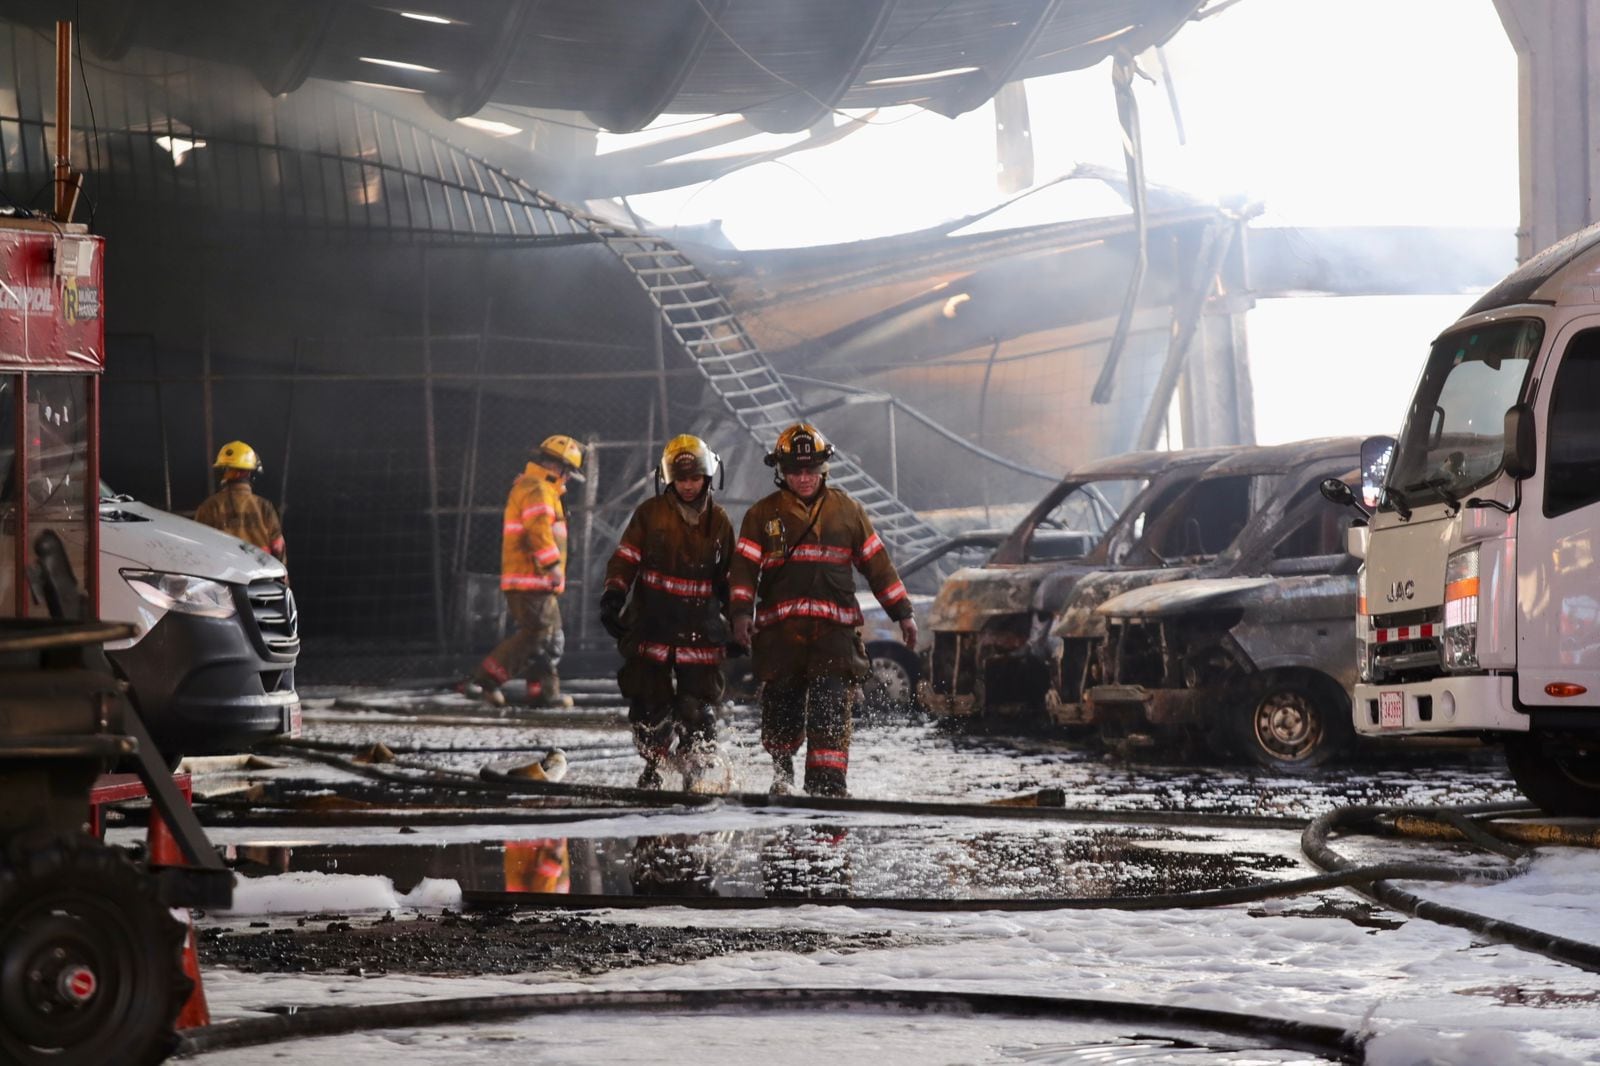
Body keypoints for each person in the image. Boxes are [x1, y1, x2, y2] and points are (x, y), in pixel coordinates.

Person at [728, 423, 916, 797]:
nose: (802, 478)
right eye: (795, 471)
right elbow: (744, 571)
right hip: (781, 638)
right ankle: (782, 777)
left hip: (834, 638)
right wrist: (739, 615)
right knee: (781, 709)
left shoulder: (848, 512)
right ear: (781, 471)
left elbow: (878, 566)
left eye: (810, 470)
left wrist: (903, 613)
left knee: (831, 710)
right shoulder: (762, 515)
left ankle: (828, 789)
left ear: (823, 469)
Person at [600, 434, 734, 790]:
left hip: (698, 631)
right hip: (651, 627)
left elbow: (730, 577)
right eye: (681, 480)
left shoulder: (719, 521)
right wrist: (614, 594)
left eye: (694, 479)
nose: (688, 486)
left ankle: (694, 772)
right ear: (669, 479)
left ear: (708, 477)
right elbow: (627, 557)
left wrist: (738, 621)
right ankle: (654, 767)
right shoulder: (650, 514)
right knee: (648, 706)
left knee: (697, 708)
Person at [460, 434, 584, 709]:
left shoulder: (540, 488)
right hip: (531, 579)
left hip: (535, 580)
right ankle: (484, 680)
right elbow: (537, 532)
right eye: (568, 473)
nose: (568, 479)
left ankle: (543, 693)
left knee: (549, 638)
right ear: (559, 468)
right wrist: (552, 566)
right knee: (538, 633)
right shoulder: (538, 490)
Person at [194, 440, 286, 564]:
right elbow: (277, 546)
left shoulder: (208, 507)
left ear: (223, 472)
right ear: (249, 473)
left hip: (222, 575)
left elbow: (198, 546)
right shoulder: (264, 506)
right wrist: (282, 576)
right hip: (259, 575)